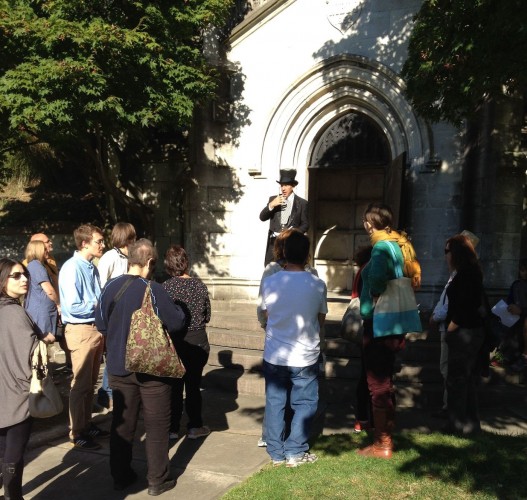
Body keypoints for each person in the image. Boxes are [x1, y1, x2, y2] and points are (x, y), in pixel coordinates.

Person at [95, 239, 186, 496]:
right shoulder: (153, 289)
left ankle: (121, 477)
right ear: (149, 262)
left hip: (118, 366)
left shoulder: (109, 287)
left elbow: (101, 323)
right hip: (151, 368)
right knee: (157, 426)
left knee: (122, 425)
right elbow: (176, 322)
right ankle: (158, 480)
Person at [357, 203, 421, 459]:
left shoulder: (381, 247)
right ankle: (386, 434)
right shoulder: (396, 244)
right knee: (385, 380)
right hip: (392, 324)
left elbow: (377, 281)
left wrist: (371, 294)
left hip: (379, 324)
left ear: (369, 224)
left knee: (377, 383)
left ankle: (382, 443)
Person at [260, 231, 327, 467]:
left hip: (275, 351)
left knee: (275, 402)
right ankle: (295, 450)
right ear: (307, 254)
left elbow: (266, 314)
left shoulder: (270, 282)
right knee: (306, 403)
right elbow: (320, 319)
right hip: (305, 352)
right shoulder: (317, 284)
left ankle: (276, 452)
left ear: (284, 253)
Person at [0, 258, 55, 499]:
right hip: (17, 395)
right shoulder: (15, 313)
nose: (24, 279)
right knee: (14, 454)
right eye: (16, 276)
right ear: (2, 280)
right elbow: (32, 359)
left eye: (24, 275)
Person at [59, 224, 108, 450]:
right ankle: (77, 432)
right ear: (84, 243)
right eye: (99, 241)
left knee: (90, 383)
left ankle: (86, 424)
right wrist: (99, 305)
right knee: (80, 384)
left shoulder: (91, 267)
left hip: (94, 328)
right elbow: (73, 306)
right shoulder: (71, 268)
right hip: (80, 329)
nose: (103, 245)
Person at [162, 245, 211, 441]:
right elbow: (207, 315)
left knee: (174, 387)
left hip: (175, 340)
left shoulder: (165, 288)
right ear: (186, 262)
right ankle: (194, 426)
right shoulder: (199, 285)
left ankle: (172, 428)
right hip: (197, 340)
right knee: (193, 385)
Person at [442, 234, 485, 435]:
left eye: (447, 251)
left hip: (465, 333)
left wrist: (451, 327)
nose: (445, 256)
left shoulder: (467, 274)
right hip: (466, 331)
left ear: (456, 253)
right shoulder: (467, 272)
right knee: (465, 380)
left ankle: (458, 425)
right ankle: (467, 425)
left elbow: (467, 304)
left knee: (458, 380)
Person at [96, 222, 137, 410]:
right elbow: (102, 288)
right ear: (126, 238)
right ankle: (107, 393)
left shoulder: (128, 257)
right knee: (114, 352)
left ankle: (110, 391)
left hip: (125, 313)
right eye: (132, 237)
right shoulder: (110, 258)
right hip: (114, 313)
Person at [259, 169, 309, 266]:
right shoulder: (273, 199)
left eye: (286, 185)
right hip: (274, 245)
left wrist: (292, 233)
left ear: (293, 186)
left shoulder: (302, 203)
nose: (283, 188)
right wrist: (272, 205)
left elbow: (305, 224)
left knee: (289, 271)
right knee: (270, 271)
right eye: (281, 185)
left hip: (291, 245)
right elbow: (262, 217)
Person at [24, 240, 60, 337]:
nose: (47, 250)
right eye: (44, 249)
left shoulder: (34, 265)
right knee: (45, 339)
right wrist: (58, 304)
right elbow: (49, 291)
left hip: (39, 310)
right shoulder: (37, 266)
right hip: (41, 312)